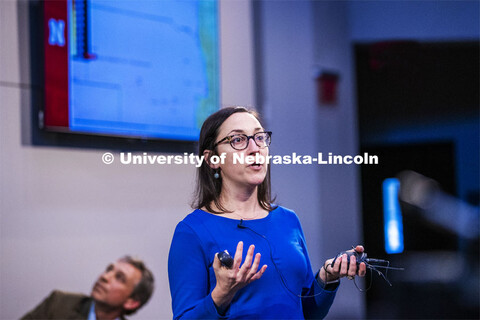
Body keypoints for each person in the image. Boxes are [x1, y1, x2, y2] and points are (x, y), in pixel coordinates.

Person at [168, 106, 366, 319]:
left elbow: (307, 313)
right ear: (212, 159)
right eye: (238, 140)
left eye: (259, 137)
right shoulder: (191, 231)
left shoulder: (288, 220)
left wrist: (328, 277)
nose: (255, 148)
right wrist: (222, 294)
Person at [21, 256, 154, 320]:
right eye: (109, 270)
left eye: (119, 278)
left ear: (131, 302)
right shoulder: (58, 304)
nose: (105, 276)